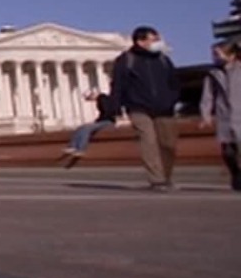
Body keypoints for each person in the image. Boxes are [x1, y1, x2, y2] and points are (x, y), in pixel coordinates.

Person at [111, 25, 183, 191]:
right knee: (148, 141)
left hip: (164, 107)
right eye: (154, 39)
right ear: (140, 41)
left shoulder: (163, 59)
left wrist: (172, 99)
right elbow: (118, 85)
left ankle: (165, 177)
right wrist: (116, 108)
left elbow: (174, 82)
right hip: (138, 107)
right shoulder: (126, 60)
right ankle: (157, 180)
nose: (158, 42)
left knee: (168, 144)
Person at [199, 39, 241, 191]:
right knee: (228, 151)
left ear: (231, 55)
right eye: (214, 54)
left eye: (218, 54)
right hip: (224, 114)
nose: (215, 57)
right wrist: (206, 115)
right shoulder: (213, 73)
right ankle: (236, 173)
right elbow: (207, 95)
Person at [61, 89, 119, 168]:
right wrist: (96, 122)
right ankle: (72, 146)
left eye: (89, 98)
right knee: (81, 128)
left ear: (92, 95)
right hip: (104, 121)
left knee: (86, 129)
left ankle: (81, 149)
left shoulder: (103, 99)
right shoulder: (101, 99)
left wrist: (97, 122)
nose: (91, 100)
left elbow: (108, 112)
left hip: (108, 122)